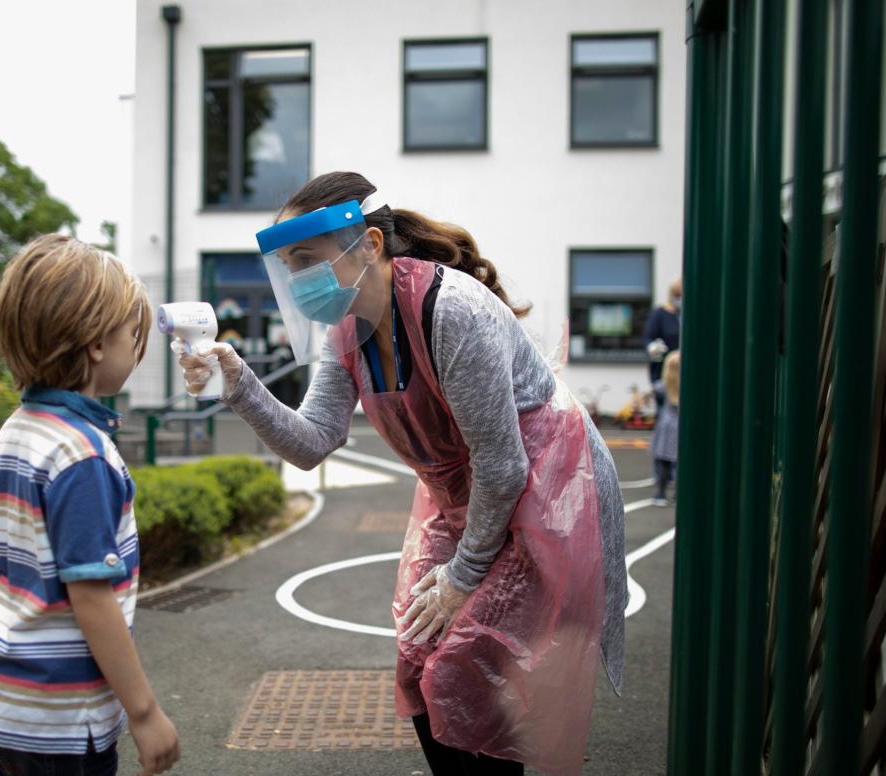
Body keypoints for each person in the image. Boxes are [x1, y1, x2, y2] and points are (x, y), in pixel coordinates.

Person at [173, 172, 626, 775]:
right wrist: (239, 385)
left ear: (371, 245)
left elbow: (503, 463)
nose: (300, 277)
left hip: (548, 485)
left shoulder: (451, 310)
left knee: (470, 662)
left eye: (307, 257)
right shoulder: (346, 331)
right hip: (466, 496)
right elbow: (313, 441)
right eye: (289, 264)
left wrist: (462, 577)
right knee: (419, 656)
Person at [0, 234, 181, 776]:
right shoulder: (82, 454)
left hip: (5, 707)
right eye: (132, 334)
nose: (136, 349)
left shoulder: (16, 433)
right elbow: (90, 597)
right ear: (96, 344)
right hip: (64, 724)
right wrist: (144, 712)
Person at [643, 277, 682, 408]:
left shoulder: (688, 314)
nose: (680, 299)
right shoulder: (660, 314)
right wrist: (652, 347)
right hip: (666, 374)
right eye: (677, 295)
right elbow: (648, 338)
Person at [651, 351, 681, 506]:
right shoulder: (688, 385)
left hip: (666, 426)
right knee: (680, 462)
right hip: (681, 426)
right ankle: (678, 493)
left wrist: (655, 360)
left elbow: (654, 387)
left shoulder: (663, 386)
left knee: (663, 461)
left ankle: (660, 493)